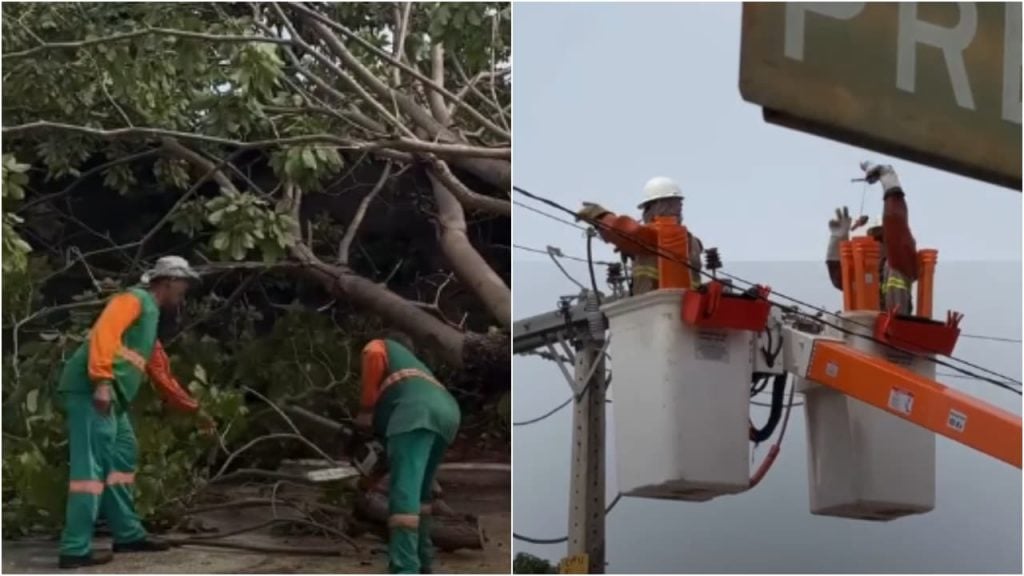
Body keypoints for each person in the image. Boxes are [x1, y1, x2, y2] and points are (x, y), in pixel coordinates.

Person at [57, 256, 210, 569]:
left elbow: (158, 368)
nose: (186, 291)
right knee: (90, 470)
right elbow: (104, 333)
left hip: (114, 398)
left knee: (122, 457)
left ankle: (127, 534)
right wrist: (101, 381)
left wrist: (192, 408)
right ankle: (74, 549)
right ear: (168, 282)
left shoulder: (149, 318)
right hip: (92, 393)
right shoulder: (133, 299)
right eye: (184, 284)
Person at [354, 332, 461, 574]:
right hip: (447, 415)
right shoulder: (416, 373)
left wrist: (365, 410)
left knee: (403, 496)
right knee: (421, 496)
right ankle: (424, 562)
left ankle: (405, 568)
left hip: (415, 415)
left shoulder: (382, 345)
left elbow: (373, 353)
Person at [576, 176, 704, 295]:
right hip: (687, 306)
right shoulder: (693, 242)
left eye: (646, 208)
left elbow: (623, 230)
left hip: (653, 308)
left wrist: (599, 216)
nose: (644, 214)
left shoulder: (656, 235)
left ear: (658, 206)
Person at [826, 163, 918, 314]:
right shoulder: (867, 271)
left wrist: (889, 182)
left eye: (882, 238)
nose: (878, 244)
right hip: (864, 331)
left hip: (895, 330)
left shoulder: (901, 263)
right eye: (874, 238)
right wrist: (837, 239)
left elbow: (895, 222)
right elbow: (839, 276)